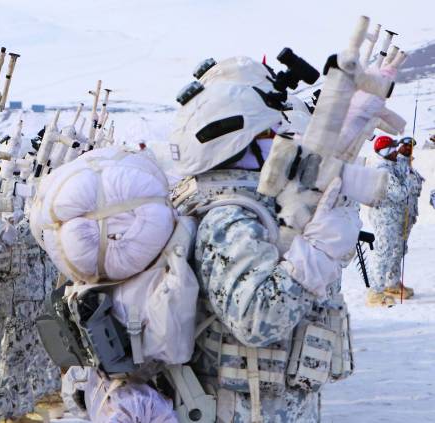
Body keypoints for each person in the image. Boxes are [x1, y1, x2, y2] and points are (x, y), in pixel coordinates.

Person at [170, 56, 360, 422]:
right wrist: (318, 250)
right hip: (245, 409)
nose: (281, 143)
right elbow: (257, 318)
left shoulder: (254, 205)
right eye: (270, 136)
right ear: (241, 144)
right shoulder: (229, 216)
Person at [368, 136, 423, 306]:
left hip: (398, 217)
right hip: (386, 219)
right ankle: (375, 293)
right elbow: (398, 193)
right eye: (393, 148)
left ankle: (392, 284)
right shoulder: (383, 170)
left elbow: (408, 176)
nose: (396, 150)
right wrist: (410, 182)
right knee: (383, 253)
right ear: (386, 152)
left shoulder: (392, 166)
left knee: (397, 251)